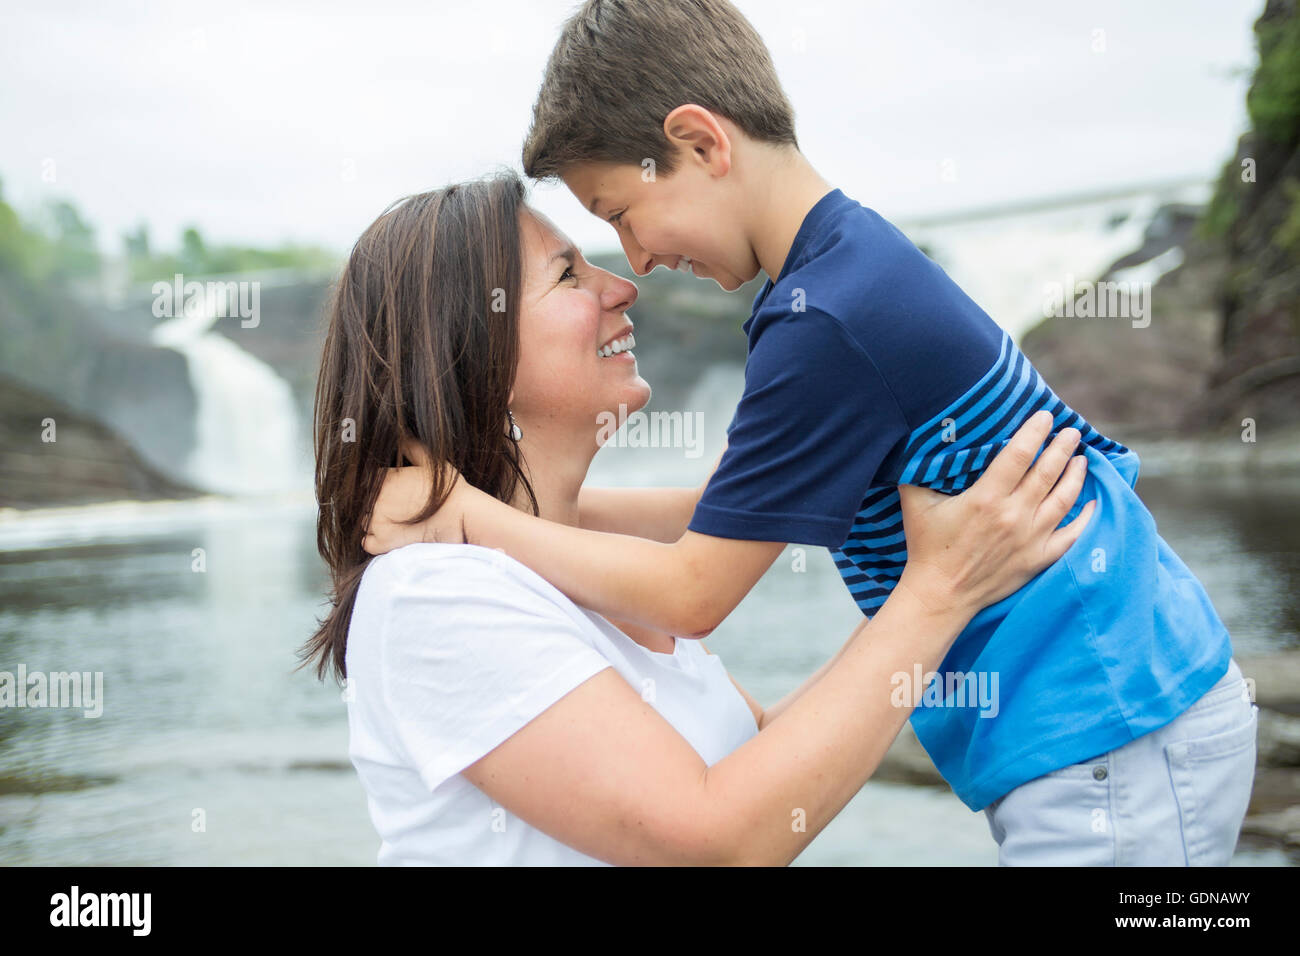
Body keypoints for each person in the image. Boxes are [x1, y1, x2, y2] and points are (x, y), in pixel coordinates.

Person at [363, 0, 1258, 865]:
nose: (634, 266)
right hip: (1119, 706)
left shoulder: (823, 319)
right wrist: (526, 513)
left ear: (701, 142)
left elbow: (691, 593)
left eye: (619, 216)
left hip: (1108, 720)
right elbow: (723, 516)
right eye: (580, 259)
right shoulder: (840, 279)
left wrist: (470, 515)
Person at [302, 171, 1094, 865]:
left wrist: (965, 582)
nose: (622, 285)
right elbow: (718, 841)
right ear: (470, 354)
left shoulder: (571, 567)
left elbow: (761, 752)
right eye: (568, 275)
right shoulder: (435, 593)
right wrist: (937, 592)